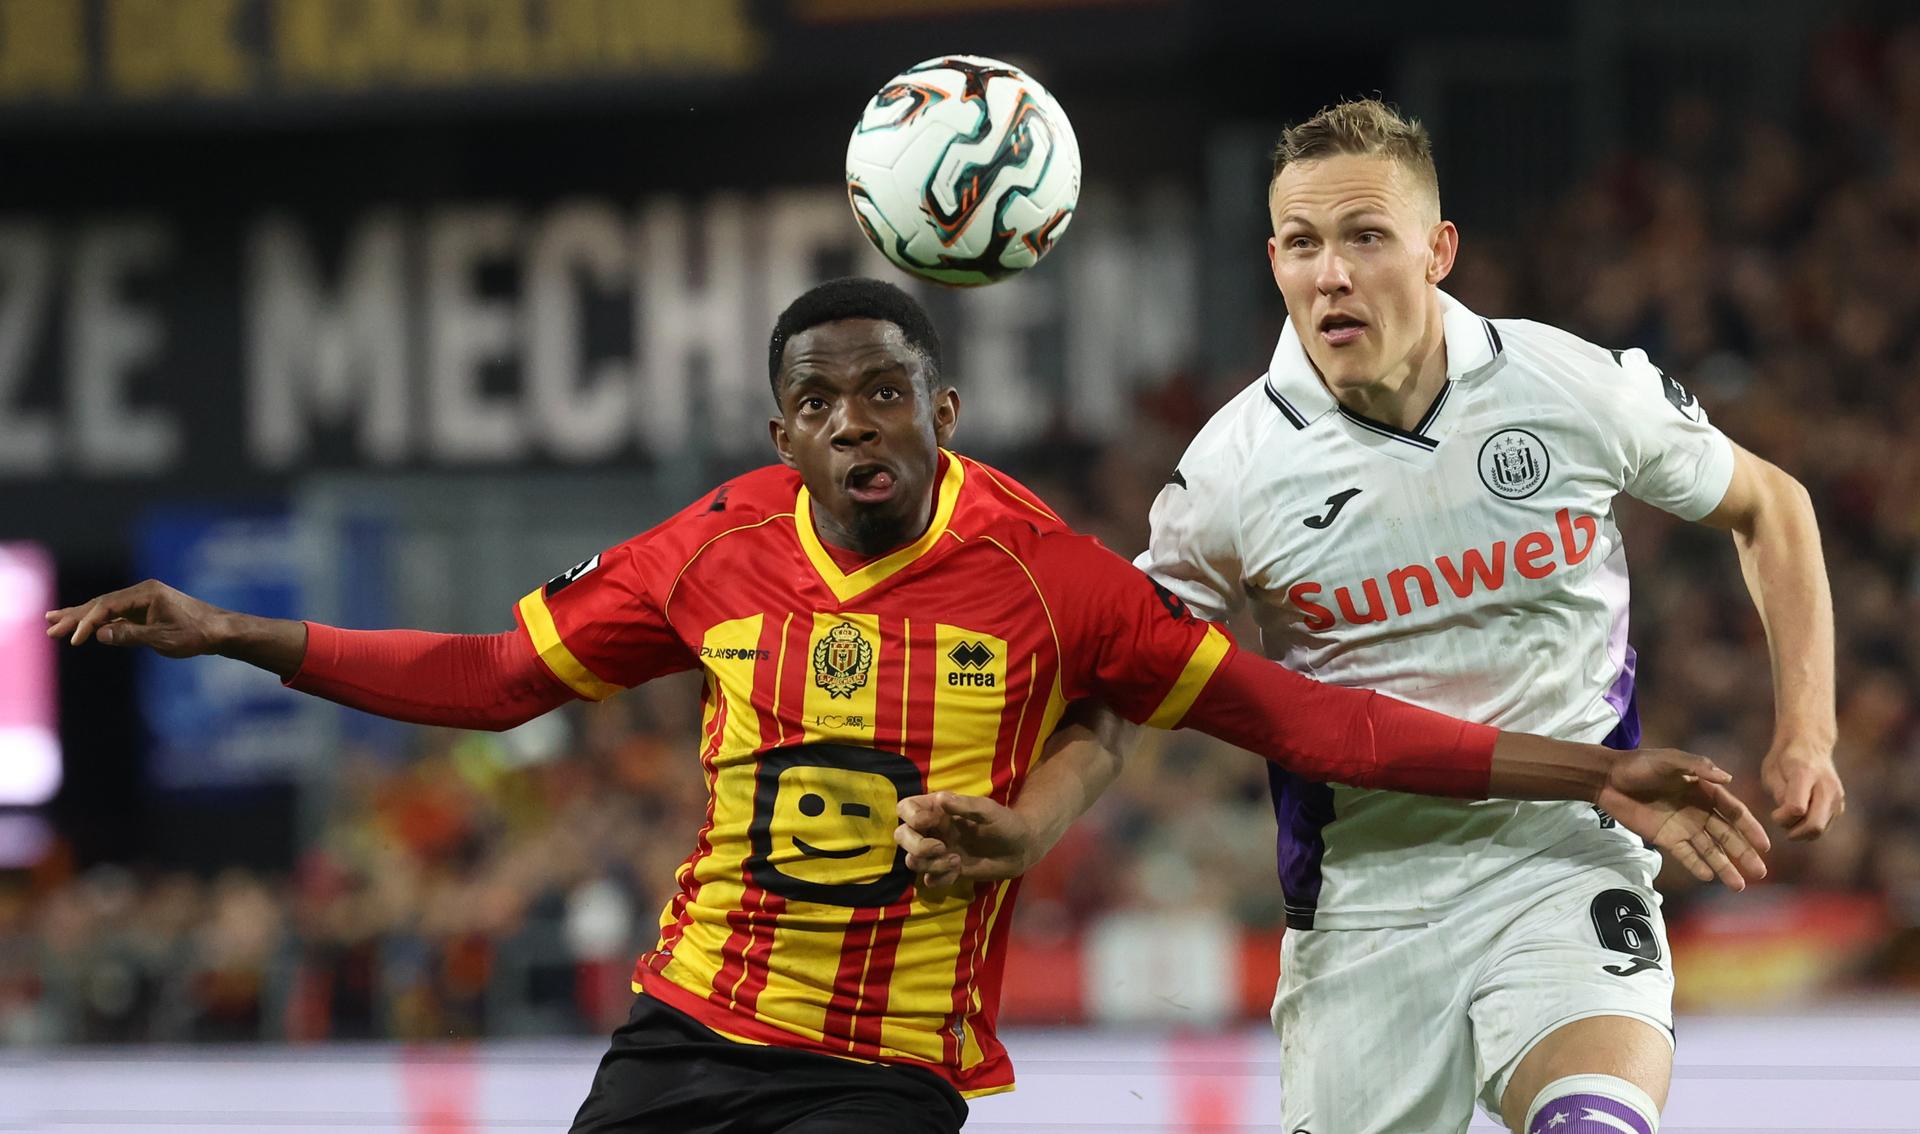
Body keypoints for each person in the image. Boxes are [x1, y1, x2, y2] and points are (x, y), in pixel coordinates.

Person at [47, 278, 1766, 1134]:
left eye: (888, 387)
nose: (858, 417)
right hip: (685, 1033)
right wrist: (237, 630)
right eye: (821, 399)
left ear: (942, 402)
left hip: (877, 1075)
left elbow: (1309, 719)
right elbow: (496, 682)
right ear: (781, 428)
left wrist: (1598, 765)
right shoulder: (706, 548)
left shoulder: (1048, 575)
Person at [901, 100, 1838, 1134]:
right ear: (1273, 261)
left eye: (1364, 237)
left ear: (1438, 250)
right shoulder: (1230, 472)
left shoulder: (1567, 387)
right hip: (1364, 910)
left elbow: (1772, 507)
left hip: (1568, 856)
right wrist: (1035, 822)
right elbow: (1131, 687)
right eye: (1302, 245)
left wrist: (1808, 732)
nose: (1331, 273)